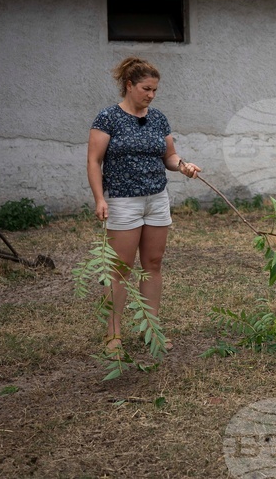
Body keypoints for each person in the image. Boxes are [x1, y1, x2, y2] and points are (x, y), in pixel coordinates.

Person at [87, 56, 201, 356]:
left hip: (156, 200)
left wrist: (184, 166)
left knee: (153, 265)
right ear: (129, 85)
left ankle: (152, 331)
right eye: (145, 89)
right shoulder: (107, 118)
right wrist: (100, 198)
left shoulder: (159, 118)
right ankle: (113, 336)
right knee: (119, 270)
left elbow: (170, 156)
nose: (150, 95)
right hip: (123, 201)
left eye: (154, 91)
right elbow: (94, 161)